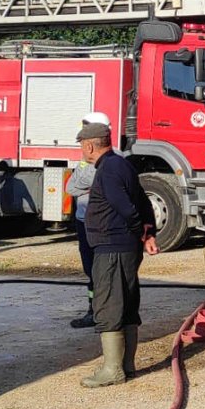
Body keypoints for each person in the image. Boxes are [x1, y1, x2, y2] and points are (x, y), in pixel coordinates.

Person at [77, 120, 160, 388]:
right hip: (124, 247)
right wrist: (148, 233)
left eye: (81, 145)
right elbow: (143, 201)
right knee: (126, 301)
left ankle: (113, 369)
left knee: (109, 304)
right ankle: (127, 365)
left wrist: (140, 231)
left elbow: (125, 207)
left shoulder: (108, 170)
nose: (81, 150)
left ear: (90, 145)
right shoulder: (121, 164)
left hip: (112, 247)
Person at [66, 112, 111, 329]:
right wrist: (86, 184)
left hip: (100, 223)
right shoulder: (85, 161)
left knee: (102, 270)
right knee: (90, 269)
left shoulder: (111, 160)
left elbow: (91, 181)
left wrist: (86, 184)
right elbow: (71, 187)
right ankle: (92, 310)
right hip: (82, 220)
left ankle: (102, 312)